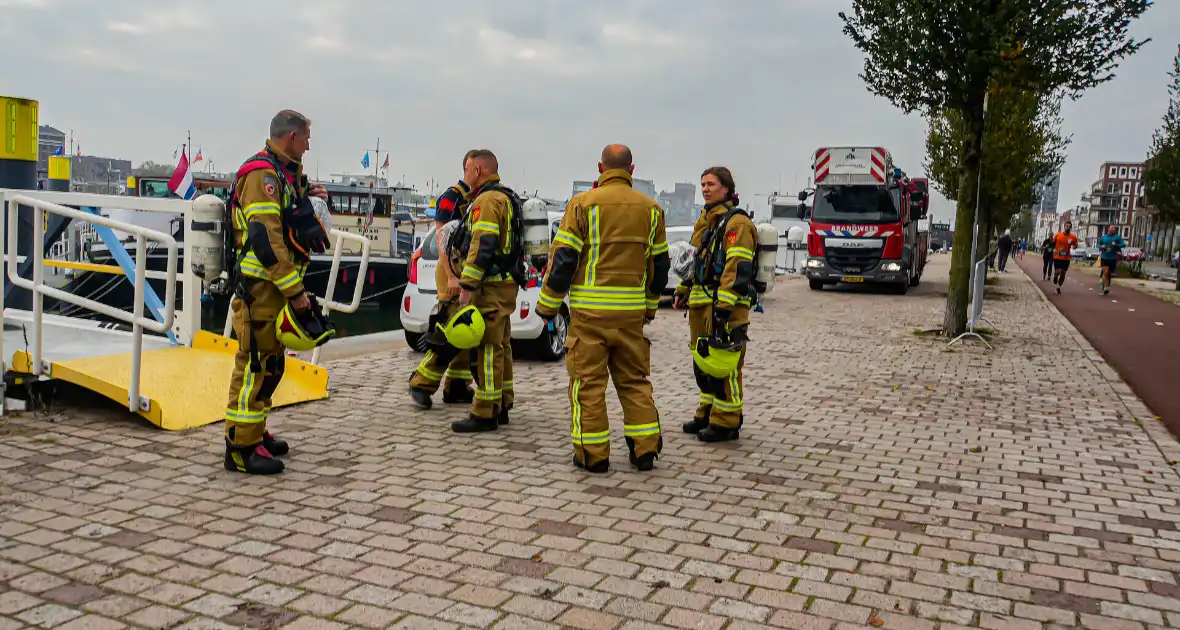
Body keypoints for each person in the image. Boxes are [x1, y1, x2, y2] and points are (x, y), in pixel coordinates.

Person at [535, 144, 670, 473]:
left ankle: (592, 455)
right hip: (631, 317)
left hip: (590, 317)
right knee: (635, 381)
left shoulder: (582, 205)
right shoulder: (652, 210)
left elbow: (564, 260)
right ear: (632, 170)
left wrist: (548, 306)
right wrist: (650, 307)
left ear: (600, 168)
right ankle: (645, 450)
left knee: (587, 385)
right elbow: (660, 267)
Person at [224, 109, 334, 475]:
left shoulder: (286, 175)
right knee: (255, 363)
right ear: (290, 137)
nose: (308, 144)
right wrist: (295, 291)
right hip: (262, 287)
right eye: (305, 137)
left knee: (272, 363)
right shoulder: (262, 175)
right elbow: (264, 237)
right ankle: (240, 446)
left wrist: (311, 197)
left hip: (274, 287)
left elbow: (290, 222)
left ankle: (257, 430)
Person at [673, 167, 758, 443]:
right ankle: (707, 412)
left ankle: (727, 422)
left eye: (711, 184)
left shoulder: (737, 224)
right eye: (703, 185)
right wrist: (683, 288)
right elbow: (696, 260)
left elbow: (737, 265)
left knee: (725, 364)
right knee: (704, 363)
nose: (705, 189)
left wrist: (724, 305)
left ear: (726, 188)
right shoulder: (706, 222)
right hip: (701, 305)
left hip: (725, 307)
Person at [452, 149, 523, 433]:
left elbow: (483, 244)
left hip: (490, 287)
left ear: (477, 171)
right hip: (505, 283)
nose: (465, 176)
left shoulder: (487, 201)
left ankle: (485, 411)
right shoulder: (505, 196)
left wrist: (468, 285)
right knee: (502, 344)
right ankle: (503, 402)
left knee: (488, 348)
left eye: (467, 169)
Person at [409, 154, 476, 409]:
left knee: (465, 329)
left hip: (465, 269)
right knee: (448, 327)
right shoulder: (452, 197)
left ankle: (458, 384)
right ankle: (421, 382)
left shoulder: (476, 198)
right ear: (471, 169)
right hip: (453, 268)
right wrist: (450, 275)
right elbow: (441, 238)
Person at [1050, 220, 1079, 294]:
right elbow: (1053, 243)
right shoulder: (1058, 235)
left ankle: (1058, 287)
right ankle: (1055, 277)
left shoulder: (1073, 237)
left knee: (1063, 273)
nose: (1068, 228)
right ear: (1064, 227)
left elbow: (1075, 245)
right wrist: (1051, 240)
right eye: (1066, 226)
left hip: (1066, 258)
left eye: (1069, 227)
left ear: (1071, 228)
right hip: (1057, 256)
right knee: (1057, 271)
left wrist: (1075, 246)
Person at [1097, 224, 1126, 295]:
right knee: (1106, 271)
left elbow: (1123, 245)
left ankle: (1103, 283)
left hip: (1112, 258)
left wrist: (1116, 245)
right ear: (1108, 229)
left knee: (1108, 273)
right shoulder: (1104, 237)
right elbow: (1098, 244)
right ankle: (1105, 288)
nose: (1113, 229)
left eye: (1114, 228)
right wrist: (1101, 246)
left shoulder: (1117, 237)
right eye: (1112, 228)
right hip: (1104, 257)